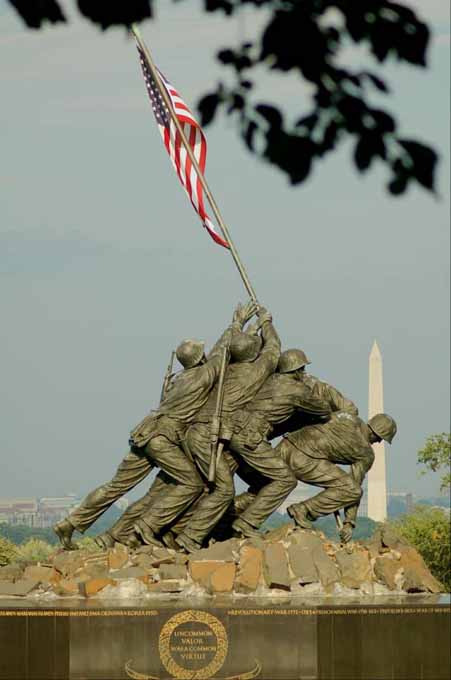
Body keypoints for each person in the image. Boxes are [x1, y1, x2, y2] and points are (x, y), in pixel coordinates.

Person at [53, 302, 257, 550]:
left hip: (145, 432)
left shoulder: (178, 379)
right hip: (163, 439)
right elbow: (221, 353)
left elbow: (216, 354)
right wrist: (237, 323)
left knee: (115, 487)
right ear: (199, 358)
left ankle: (70, 523)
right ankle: (148, 527)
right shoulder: (202, 377)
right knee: (191, 483)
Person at [174, 306, 288, 552]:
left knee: (209, 487)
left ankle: (200, 532)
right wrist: (267, 323)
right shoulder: (255, 372)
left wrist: (238, 325)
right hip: (208, 435)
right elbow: (274, 348)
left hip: (199, 433)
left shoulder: (220, 370)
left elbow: (219, 350)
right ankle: (189, 537)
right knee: (224, 490)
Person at [275, 411, 397, 542]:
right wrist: (349, 523)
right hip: (303, 459)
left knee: (262, 486)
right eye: (380, 438)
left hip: (285, 445)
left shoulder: (346, 416)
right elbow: (354, 488)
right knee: (352, 490)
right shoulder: (366, 453)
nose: (378, 442)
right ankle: (302, 510)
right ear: (375, 433)